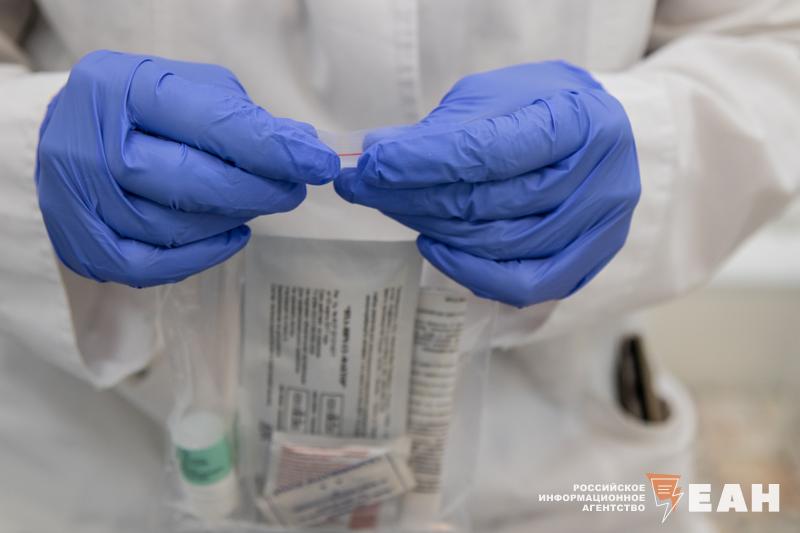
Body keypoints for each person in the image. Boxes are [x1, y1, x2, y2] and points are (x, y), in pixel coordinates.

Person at [1, 1, 798, 531]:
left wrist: (653, 144)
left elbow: (773, 42)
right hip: (113, 446)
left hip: (543, 456)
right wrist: (27, 151)